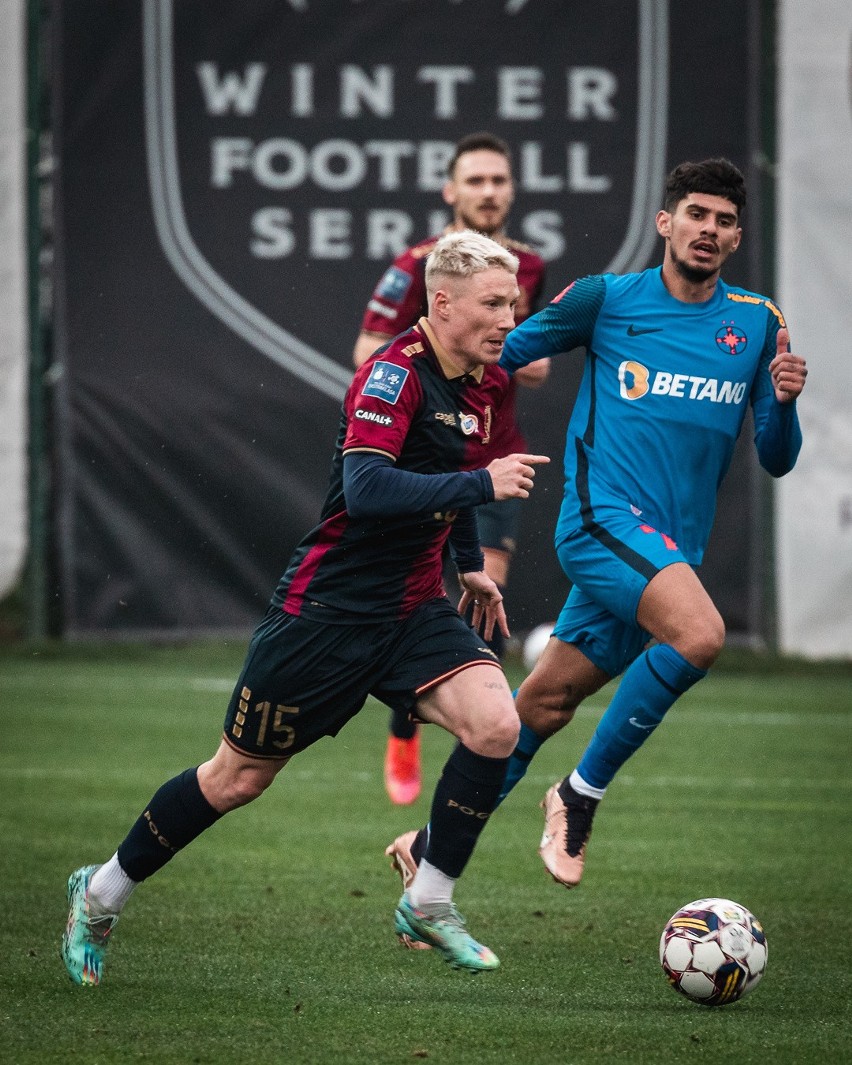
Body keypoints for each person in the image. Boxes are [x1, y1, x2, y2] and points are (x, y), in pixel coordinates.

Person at [61, 230, 550, 983]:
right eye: (494, 303)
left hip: (412, 610)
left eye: (512, 303)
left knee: (497, 726)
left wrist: (469, 567)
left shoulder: (480, 384)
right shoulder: (392, 377)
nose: (508, 318)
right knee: (235, 779)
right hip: (325, 614)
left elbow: (452, 475)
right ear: (441, 301)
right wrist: (484, 485)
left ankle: (429, 898)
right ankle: (98, 895)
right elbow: (370, 490)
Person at [385, 157, 807, 901]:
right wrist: (423, 398)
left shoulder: (758, 321)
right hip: (598, 521)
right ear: (665, 222)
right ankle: (578, 795)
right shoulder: (607, 299)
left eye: (724, 220)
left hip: (666, 552)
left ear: (738, 236)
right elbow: (498, 351)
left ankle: (426, 849)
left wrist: (785, 402)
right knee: (701, 635)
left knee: (536, 710)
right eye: (697, 215)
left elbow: (776, 458)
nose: (708, 230)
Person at [353, 132, 550, 806]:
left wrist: (517, 345)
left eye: (500, 180)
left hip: (493, 455)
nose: (489, 191)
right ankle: (404, 721)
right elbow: (366, 349)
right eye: (476, 180)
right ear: (451, 190)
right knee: (413, 597)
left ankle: (473, 746)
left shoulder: (530, 265)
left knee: (480, 596)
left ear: (512, 189)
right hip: (426, 457)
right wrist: (442, 358)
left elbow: (535, 353)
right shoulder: (417, 266)